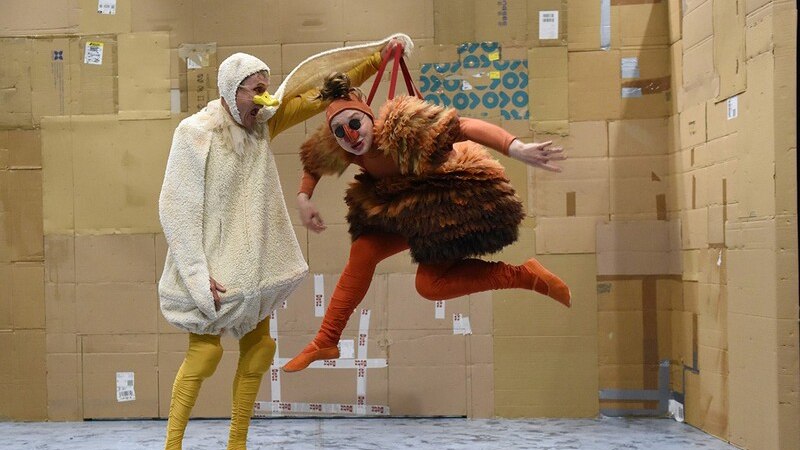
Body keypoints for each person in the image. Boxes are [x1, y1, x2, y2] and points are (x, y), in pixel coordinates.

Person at [158, 37, 406, 450]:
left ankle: (236, 444)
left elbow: (317, 94)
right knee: (203, 357)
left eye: (265, 88)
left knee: (258, 353)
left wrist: (380, 58)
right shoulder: (195, 133)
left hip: (252, 264)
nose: (264, 97)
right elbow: (176, 206)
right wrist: (197, 274)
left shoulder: (262, 125)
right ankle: (172, 445)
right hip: (210, 263)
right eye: (255, 90)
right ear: (230, 89)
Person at [282, 72, 571, 373]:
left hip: (451, 203)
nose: (351, 136)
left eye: (355, 124)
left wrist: (515, 148)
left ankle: (524, 275)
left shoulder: (403, 130)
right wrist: (304, 197)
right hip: (408, 209)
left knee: (430, 286)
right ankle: (326, 340)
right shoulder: (346, 149)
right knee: (363, 251)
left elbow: (466, 126)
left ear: (368, 118)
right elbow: (314, 163)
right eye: (340, 132)